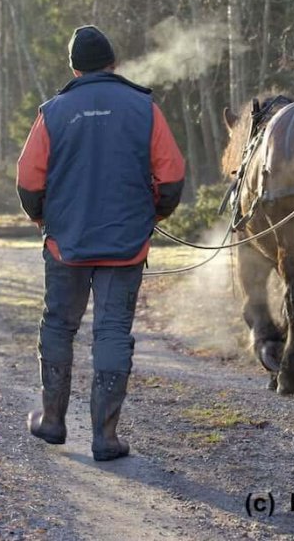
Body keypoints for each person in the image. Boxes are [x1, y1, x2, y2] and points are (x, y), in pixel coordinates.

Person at [16, 25, 185, 461]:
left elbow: (28, 179)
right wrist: (152, 217)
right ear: (113, 64)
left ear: (74, 67)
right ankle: (105, 438)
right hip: (125, 245)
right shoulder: (145, 108)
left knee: (58, 325)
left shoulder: (53, 111)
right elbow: (171, 177)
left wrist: (42, 219)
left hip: (65, 245)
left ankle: (52, 421)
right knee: (112, 332)